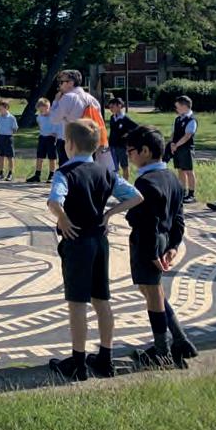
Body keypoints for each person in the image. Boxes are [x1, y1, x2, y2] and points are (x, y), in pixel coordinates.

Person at [46, 119, 142, 382]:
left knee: (77, 302)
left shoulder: (65, 173)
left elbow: (54, 201)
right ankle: (105, 358)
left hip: (76, 242)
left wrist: (63, 218)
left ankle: (78, 363)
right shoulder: (105, 172)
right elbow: (136, 196)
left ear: (70, 144)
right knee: (102, 299)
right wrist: (109, 213)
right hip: (100, 241)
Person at [112, 125, 198, 370]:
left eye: (131, 151)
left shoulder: (145, 182)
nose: (128, 155)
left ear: (146, 151)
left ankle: (162, 352)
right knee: (152, 290)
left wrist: (150, 253)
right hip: (164, 239)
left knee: (152, 294)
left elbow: (144, 221)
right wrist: (174, 245)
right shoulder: (172, 177)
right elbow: (179, 216)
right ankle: (180, 340)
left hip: (147, 242)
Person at [49, 69, 112, 170]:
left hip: (71, 142)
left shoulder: (68, 97)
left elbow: (53, 119)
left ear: (71, 83)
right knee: (88, 171)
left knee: (69, 173)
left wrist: (56, 101)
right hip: (90, 142)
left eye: (61, 82)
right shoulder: (92, 99)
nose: (59, 85)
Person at [165, 96, 197, 204]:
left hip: (186, 148)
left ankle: (191, 194)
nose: (176, 109)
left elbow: (187, 135)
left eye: (177, 106)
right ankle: (182, 192)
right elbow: (174, 133)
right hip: (177, 148)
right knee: (180, 170)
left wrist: (176, 145)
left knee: (189, 171)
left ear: (184, 106)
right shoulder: (178, 119)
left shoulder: (191, 120)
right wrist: (171, 143)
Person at [28, 98, 59, 183]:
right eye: (39, 111)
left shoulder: (54, 116)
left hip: (51, 138)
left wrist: (55, 134)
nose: (41, 112)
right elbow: (40, 126)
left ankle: (51, 175)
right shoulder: (39, 117)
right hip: (42, 137)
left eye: (42, 110)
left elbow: (57, 127)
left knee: (52, 157)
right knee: (39, 157)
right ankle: (37, 175)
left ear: (48, 107)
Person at [107, 97, 138, 181]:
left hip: (122, 146)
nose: (110, 109)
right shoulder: (112, 118)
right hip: (113, 146)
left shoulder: (125, 119)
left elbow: (136, 128)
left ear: (119, 106)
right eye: (109, 107)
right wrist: (109, 144)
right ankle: (115, 183)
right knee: (114, 167)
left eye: (112, 107)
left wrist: (128, 134)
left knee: (124, 166)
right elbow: (112, 132)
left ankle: (125, 182)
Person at [0, 100, 18, 181]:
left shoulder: (11, 118)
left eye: (1, 109)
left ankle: (10, 173)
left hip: (8, 137)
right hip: (0, 137)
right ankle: (1, 172)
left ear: (6, 107)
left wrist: (10, 131)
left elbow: (15, 129)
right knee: (1, 155)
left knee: (10, 156)